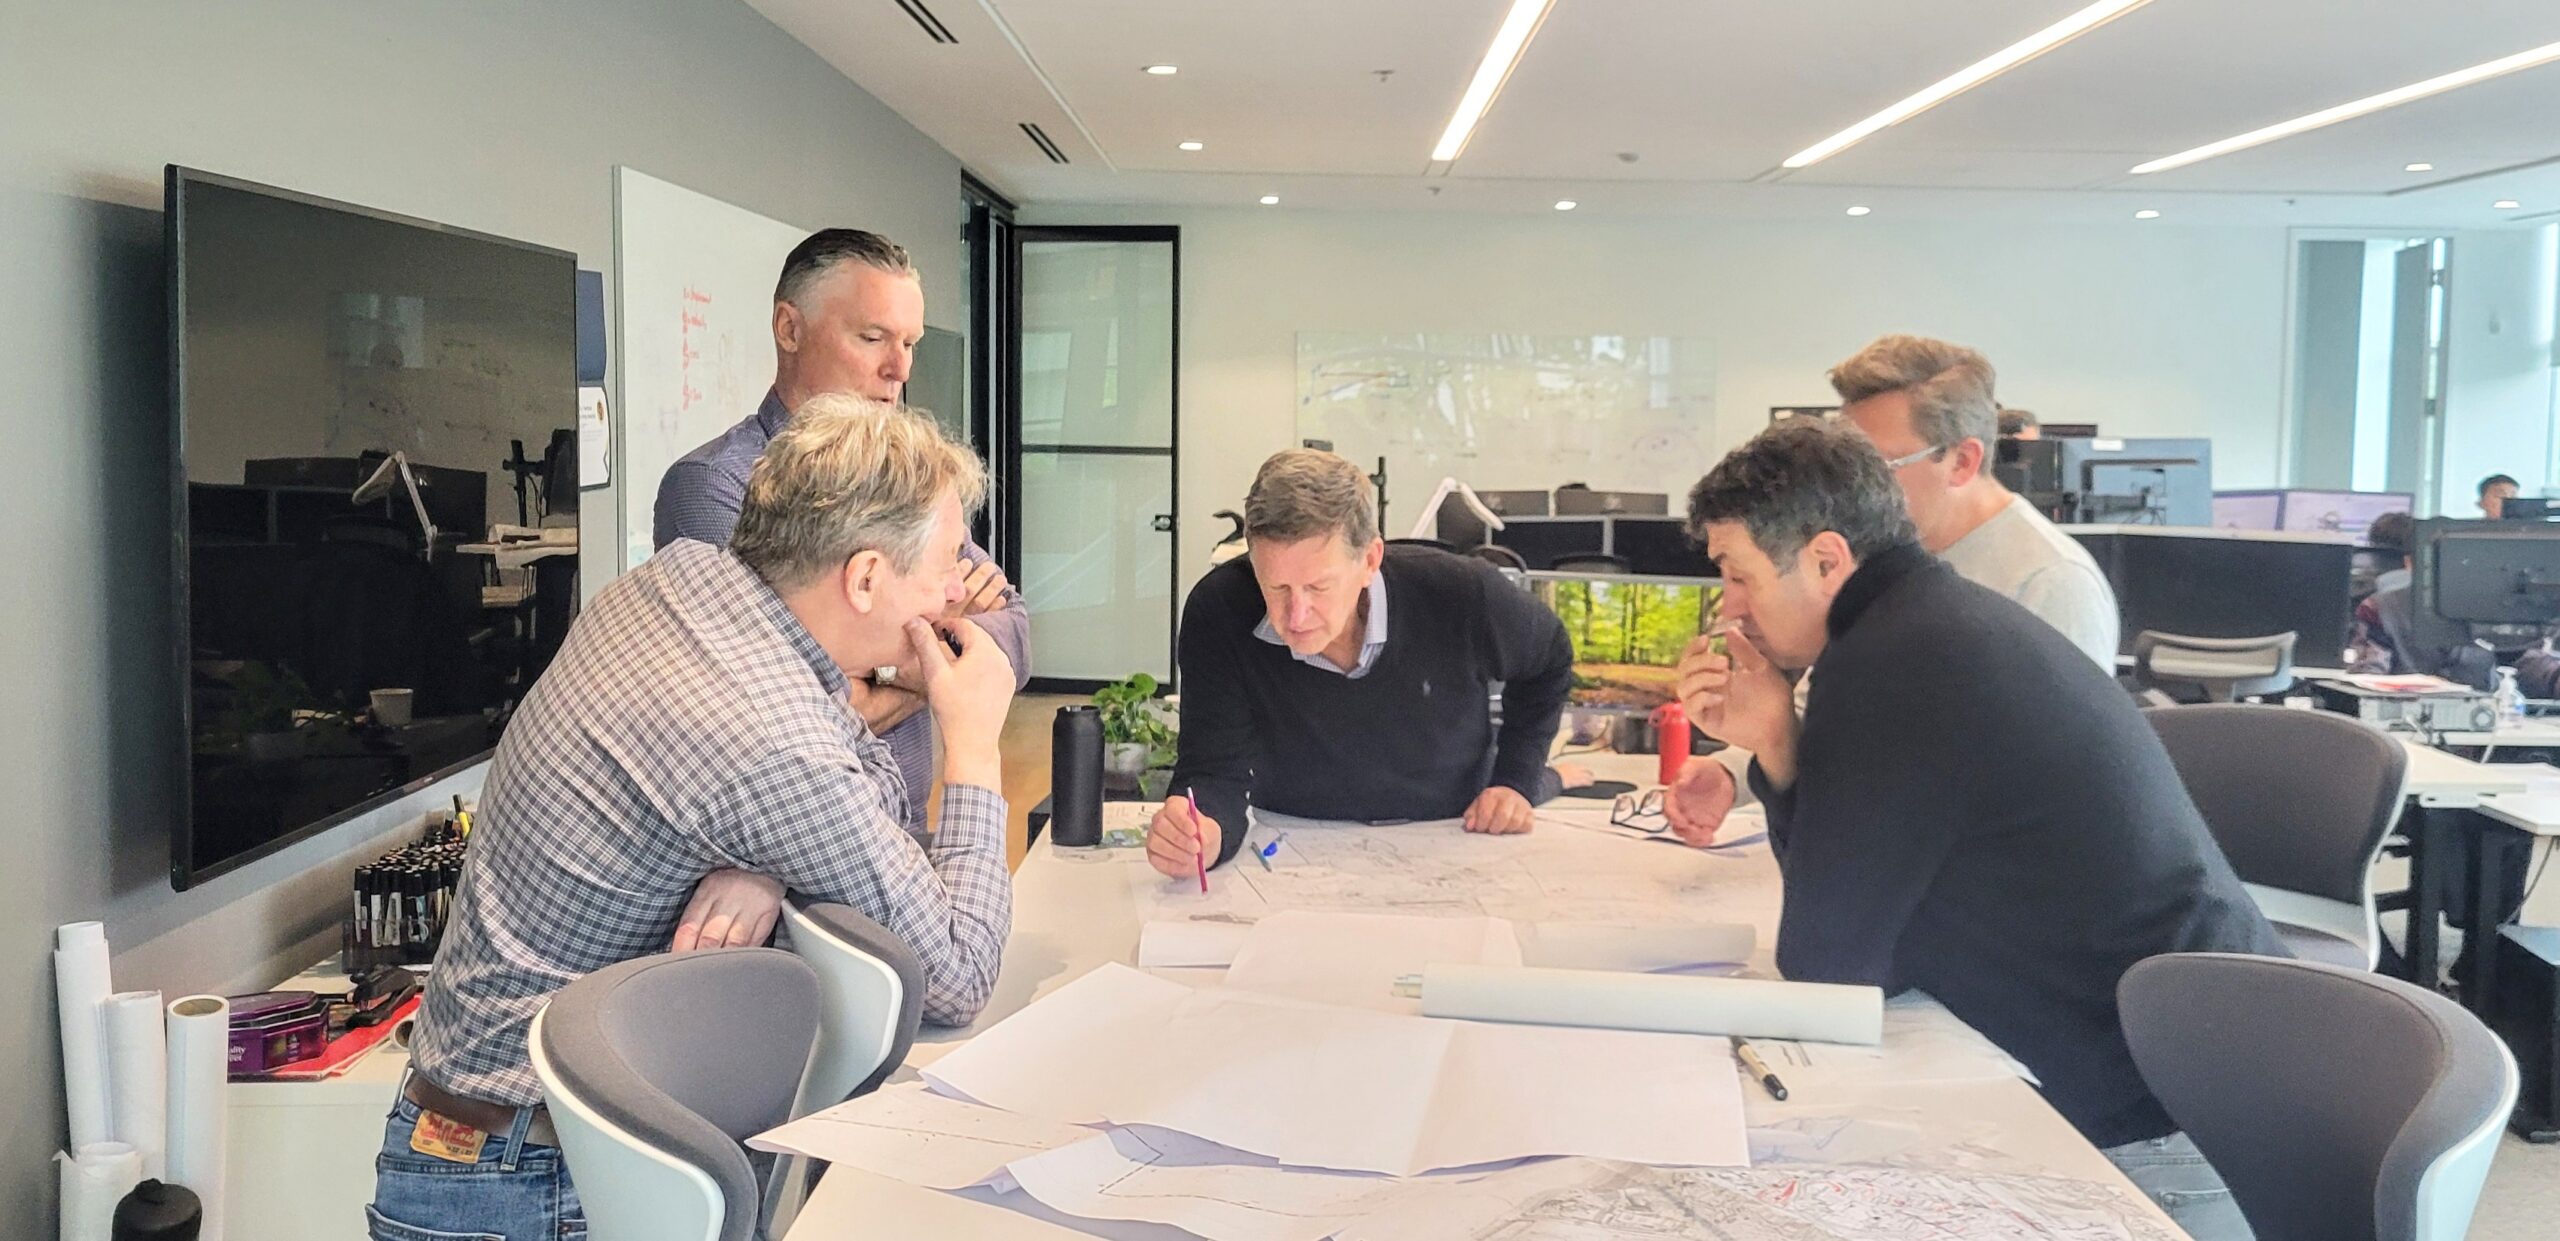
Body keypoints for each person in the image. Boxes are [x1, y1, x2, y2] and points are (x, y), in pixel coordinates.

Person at [373, 397, 1018, 1241]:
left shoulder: (679, 582)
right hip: (534, 1182)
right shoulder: (766, 735)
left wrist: (770, 857)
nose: (954, 596)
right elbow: (959, 971)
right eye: (944, 565)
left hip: (470, 1140)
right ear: (863, 577)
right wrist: (973, 742)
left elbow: (857, 802)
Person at [1674, 418, 2282, 1239]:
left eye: (1738, 574)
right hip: (2205, 1074)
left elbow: (1832, 968)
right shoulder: (1927, 622)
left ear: (1825, 560)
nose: (1730, 605)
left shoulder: (1894, 667)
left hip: (2159, 1137)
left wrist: (1781, 735)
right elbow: (1851, 917)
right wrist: (1780, 745)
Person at [653, 228, 1029, 948]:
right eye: (872, 337)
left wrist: (883, 667)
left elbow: (1013, 630)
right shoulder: (716, 485)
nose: (899, 369)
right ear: (788, 328)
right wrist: (942, 670)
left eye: (910, 344)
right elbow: (769, 719)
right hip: (791, 866)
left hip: (903, 830)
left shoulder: (900, 469)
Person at [1665, 334, 2119, 844]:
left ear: (1962, 462)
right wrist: (1734, 771)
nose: (1847, 488)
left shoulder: (2050, 582)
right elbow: (1825, 709)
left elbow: (2064, 790)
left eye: (1875, 467)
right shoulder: (1872, 555)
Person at [1145, 449, 1575, 877]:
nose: (1295, 615)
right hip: (1291, 844)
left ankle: (1564, 776)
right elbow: (1214, 772)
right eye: (1276, 587)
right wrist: (1201, 835)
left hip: (1455, 831)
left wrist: (1515, 779)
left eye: (1318, 586)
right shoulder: (1220, 609)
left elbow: (1551, 658)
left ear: (1370, 560)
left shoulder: (1462, 593)